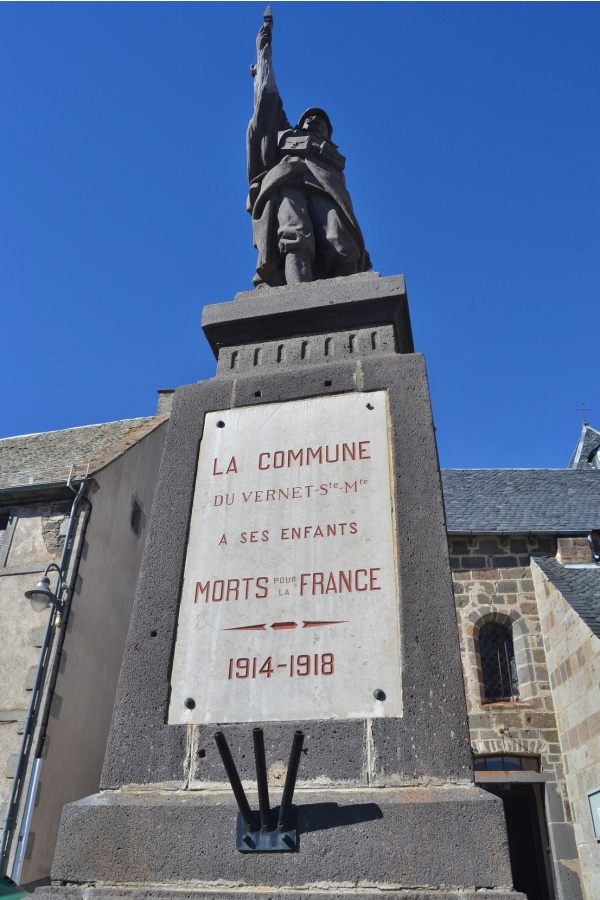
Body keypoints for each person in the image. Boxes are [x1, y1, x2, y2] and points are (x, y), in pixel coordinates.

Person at [247, 18, 371, 287]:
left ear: (328, 131)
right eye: (308, 118)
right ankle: (297, 290)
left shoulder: (332, 157)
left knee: (338, 238)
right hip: (286, 182)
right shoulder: (286, 133)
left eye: (320, 120)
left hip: (324, 189)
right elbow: (268, 103)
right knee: (293, 233)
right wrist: (264, 55)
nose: (313, 120)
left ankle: (348, 294)